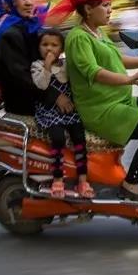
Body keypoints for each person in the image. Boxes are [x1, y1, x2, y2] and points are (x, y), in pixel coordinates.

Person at [50, 0, 138, 201]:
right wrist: (132, 79)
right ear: (88, 9)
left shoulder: (98, 32)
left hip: (118, 100)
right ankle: (131, 184)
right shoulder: (79, 38)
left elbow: (119, 59)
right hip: (101, 108)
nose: (110, 10)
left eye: (110, 5)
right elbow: (95, 73)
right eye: (105, 5)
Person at [0, 0, 68, 117]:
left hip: (41, 93)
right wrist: (56, 96)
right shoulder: (9, 35)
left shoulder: (29, 27)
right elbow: (22, 77)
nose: (28, 2)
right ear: (10, 2)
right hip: (25, 104)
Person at [31, 29, 94, 199]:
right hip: (49, 110)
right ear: (38, 47)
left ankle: (82, 180)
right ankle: (57, 179)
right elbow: (42, 85)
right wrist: (47, 65)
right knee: (57, 138)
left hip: (69, 110)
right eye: (45, 45)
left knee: (79, 138)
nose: (49, 49)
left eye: (54, 45)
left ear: (62, 49)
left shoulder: (66, 65)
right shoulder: (37, 66)